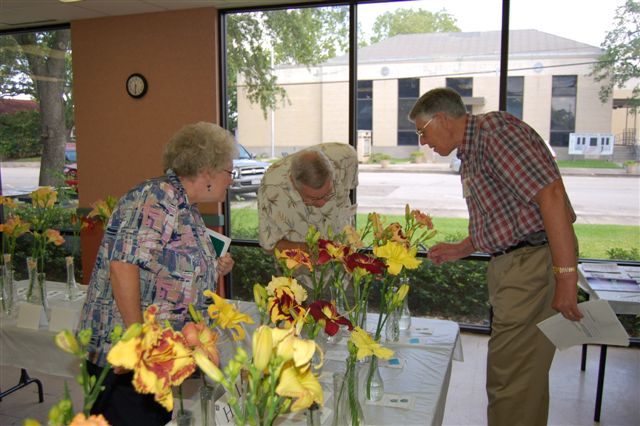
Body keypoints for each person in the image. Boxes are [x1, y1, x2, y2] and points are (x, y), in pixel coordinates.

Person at [409, 88, 583, 426]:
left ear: (442, 119)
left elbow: (551, 196)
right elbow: (508, 215)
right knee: (521, 380)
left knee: (511, 383)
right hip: (517, 265)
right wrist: (463, 247)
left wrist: (566, 278)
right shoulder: (473, 149)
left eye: (422, 130)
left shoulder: (495, 134)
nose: (423, 141)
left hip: (530, 266)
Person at [77, 121, 236, 426]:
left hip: (158, 354)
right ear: (207, 170)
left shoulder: (184, 205)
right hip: (128, 354)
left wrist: (215, 266)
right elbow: (123, 264)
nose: (230, 181)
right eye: (229, 172)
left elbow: (168, 268)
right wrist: (139, 341)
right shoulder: (156, 197)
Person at [258, 142, 358, 253]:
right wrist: (316, 251)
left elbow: (351, 187)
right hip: (299, 266)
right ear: (293, 182)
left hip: (345, 258)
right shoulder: (271, 188)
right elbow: (269, 245)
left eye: (328, 194)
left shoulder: (346, 158)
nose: (321, 203)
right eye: (312, 199)